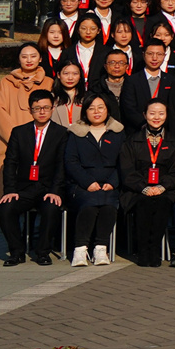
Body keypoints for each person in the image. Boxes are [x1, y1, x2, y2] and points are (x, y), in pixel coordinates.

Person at [62, 92, 124, 267]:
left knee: (109, 206)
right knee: (89, 204)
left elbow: (124, 162)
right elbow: (71, 161)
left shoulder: (118, 132)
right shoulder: (76, 133)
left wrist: (113, 182)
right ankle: (80, 249)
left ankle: (100, 248)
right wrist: (87, 182)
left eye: (100, 108)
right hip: (82, 185)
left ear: (107, 110)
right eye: (91, 108)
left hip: (110, 184)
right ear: (85, 112)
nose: (96, 112)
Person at [121, 98, 175, 266]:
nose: (156, 117)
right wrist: (143, 187)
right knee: (144, 204)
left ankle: (155, 250)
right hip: (137, 190)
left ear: (166, 115)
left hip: (164, 190)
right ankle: (143, 250)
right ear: (145, 115)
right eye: (152, 113)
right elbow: (127, 170)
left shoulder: (174, 142)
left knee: (161, 204)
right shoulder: (132, 141)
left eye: (161, 113)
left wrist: (161, 187)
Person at [0, 43, 53, 177]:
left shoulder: (49, 83)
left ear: (40, 59)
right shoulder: (6, 82)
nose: (29, 60)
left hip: (41, 144)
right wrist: (17, 141)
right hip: (10, 143)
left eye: (33, 56)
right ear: (19, 59)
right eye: (24, 57)